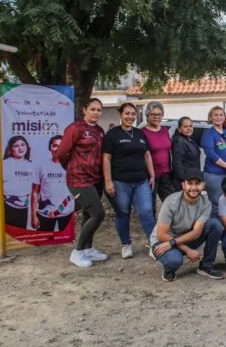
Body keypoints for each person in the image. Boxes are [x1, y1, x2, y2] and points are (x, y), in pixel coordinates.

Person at [102, 102, 157, 259]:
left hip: (141, 181)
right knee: (123, 213)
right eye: (127, 113)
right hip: (120, 182)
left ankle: (154, 244)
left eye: (133, 114)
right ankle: (126, 245)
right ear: (120, 115)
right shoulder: (112, 134)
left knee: (147, 212)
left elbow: (147, 155)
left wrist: (152, 175)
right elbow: (106, 159)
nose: (130, 116)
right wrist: (108, 181)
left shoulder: (140, 134)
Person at [150, 168, 225, 281]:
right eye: (190, 183)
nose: (193, 187)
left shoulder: (206, 203)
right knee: (174, 261)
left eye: (197, 183)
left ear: (203, 186)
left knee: (215, 224)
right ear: (183, 185)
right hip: (163, 241)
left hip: (184, 238)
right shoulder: (171, 201)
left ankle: (206, 266)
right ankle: (169, 268)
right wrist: (187, 250)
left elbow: (196, 233)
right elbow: (161, 235)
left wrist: (176, 244)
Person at [58, 98, 108, 267]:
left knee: (88, 214)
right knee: (98, 214)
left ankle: (88, 249)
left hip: (95, 179)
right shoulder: (75, 128)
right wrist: (72, 167)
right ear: (84, 110)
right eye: (92, 109)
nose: (96, 113)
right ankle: (77, 252)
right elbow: (62, 152)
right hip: (78, 179)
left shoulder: (100, 130)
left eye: (99, 110)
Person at [201, 105, 226, 207]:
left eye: (221, 115)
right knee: (218, 202)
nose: (219, 117)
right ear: (210, 117)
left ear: (224, 117)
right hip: (214, 175)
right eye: (215, 115)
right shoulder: (208, 133)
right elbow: (210, 153)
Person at [36, 135, 75, 232]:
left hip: (67, 212)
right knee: (44, 239)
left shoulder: (72, 165)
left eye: (61, 145)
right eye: (54, 146)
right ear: (50, 148)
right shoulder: (41, 166)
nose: (58, 149)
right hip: (46, 213)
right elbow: (34, 191)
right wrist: (33, 215)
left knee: (65, 240)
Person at [141, 101, 175, 213]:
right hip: (150, 176)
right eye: (153, 114)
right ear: (147, 115)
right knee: (150, 208)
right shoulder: (142, 132)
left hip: (166, 175)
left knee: (172, 205)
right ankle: (152, 225)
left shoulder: (165, 131)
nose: (156, 117)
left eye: (159, 114)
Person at [2, 135, 39, 230]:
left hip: (23, 208)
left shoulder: (32, 165)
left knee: (20, 233)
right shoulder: (4, 164)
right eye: (16, 146)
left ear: (27, 147)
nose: (20, 148)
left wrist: (34, 216)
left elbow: (34, 192)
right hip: (7, 207)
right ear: (11, 149)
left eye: (23, 145)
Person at [171, 117, 201, 185]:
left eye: (190, 126)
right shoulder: (179, 141)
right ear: (179, 129)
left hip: (191, 177)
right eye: (185, 126)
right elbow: (177, 163)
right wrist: (184, 179)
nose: (189, 128)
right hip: (184, 180)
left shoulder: (188, 138)